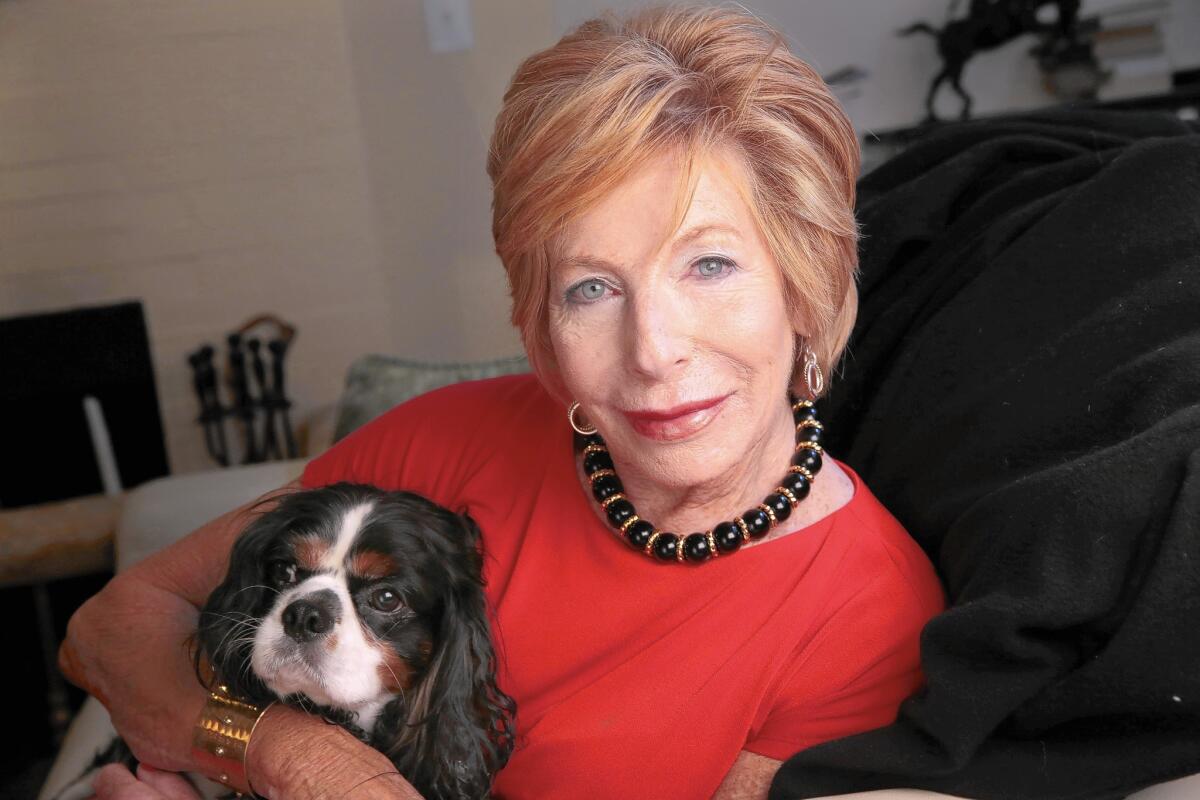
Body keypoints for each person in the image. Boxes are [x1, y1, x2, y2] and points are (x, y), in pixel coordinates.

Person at [61, 5, 949, 799]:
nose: (653, 351)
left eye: (709, 265)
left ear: (806, 287)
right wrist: (293, 760)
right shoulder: (439, 447)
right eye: (591, 289)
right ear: (538, 323)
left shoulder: (864, 615)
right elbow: (112, 625)